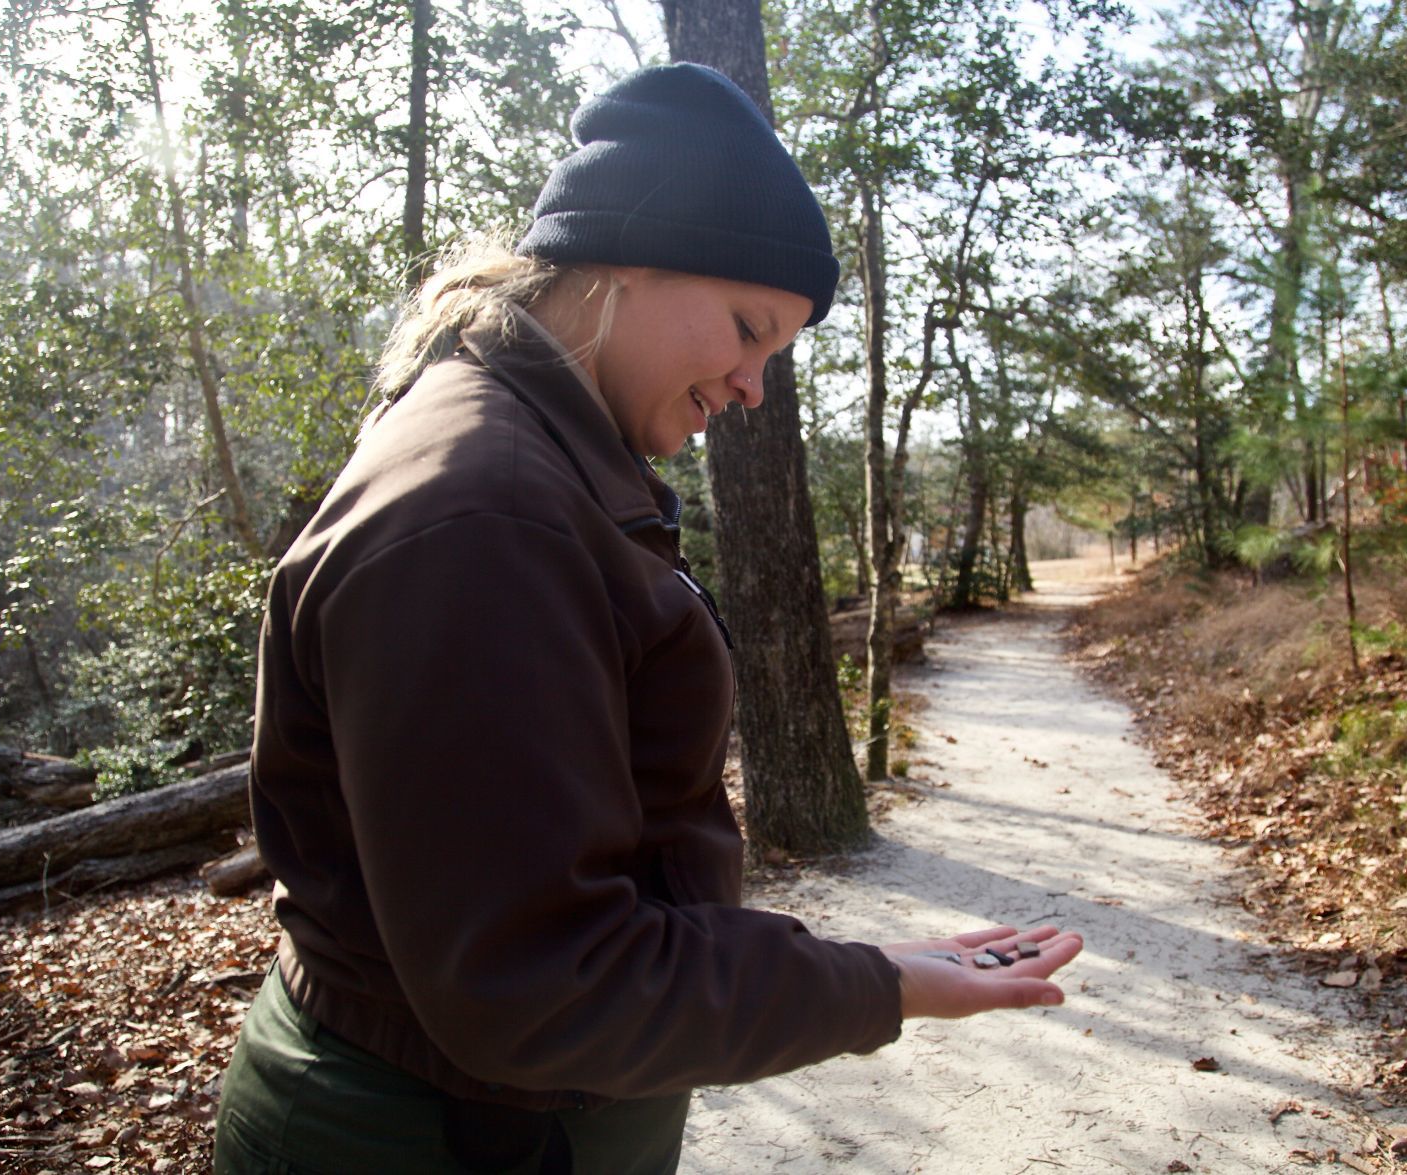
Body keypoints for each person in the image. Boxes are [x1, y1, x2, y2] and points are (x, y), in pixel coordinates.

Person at [212, 62, 1082, 1175]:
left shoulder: (541, 454)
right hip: (438, 1134)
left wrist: (868, 964)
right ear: (626, 256)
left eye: (776, 352)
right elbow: (540, 982)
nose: (753, 385)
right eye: (746, 326)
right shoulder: (487, 510)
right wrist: (881, 983)